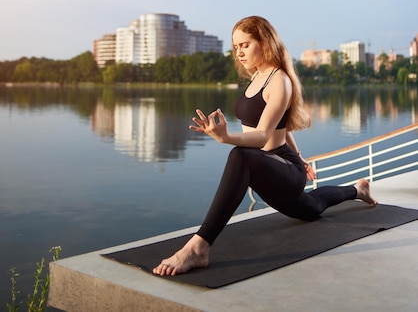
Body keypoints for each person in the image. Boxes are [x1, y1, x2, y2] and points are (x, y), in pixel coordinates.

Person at [153, 15, 377, 277]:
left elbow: (262, 136)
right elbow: (283, 126)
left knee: (240, 155)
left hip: (281, 168)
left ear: (264, 41)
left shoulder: (279, 81)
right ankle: (357, 188)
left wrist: (226, 137)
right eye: (236, 47)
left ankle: (199, 246)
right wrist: (301, 156)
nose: (239, 52)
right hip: (273, 165)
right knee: (312, 208)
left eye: (245, 45)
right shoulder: (257, 77)